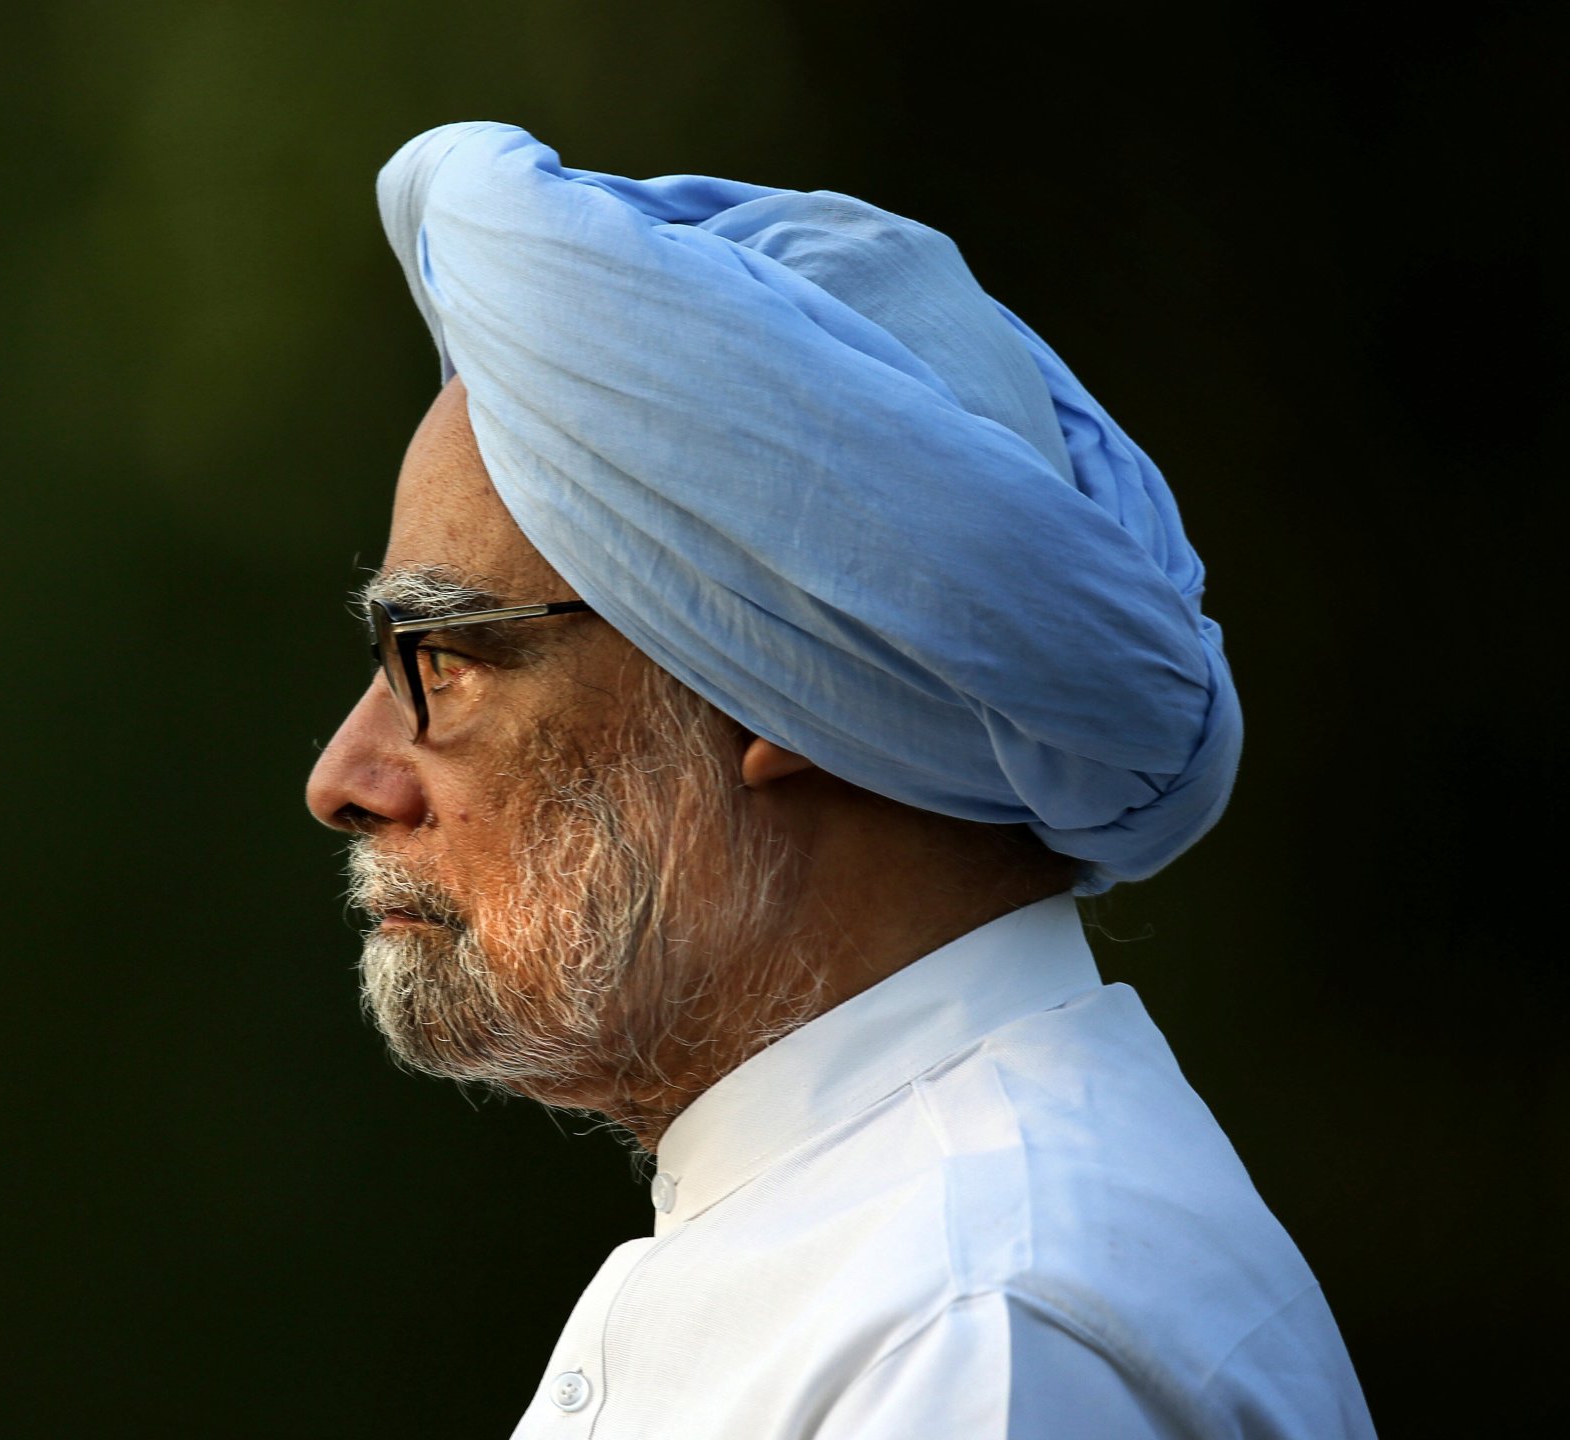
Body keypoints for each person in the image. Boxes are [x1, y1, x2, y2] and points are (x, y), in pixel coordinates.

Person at [304, 122, 1372, 1438]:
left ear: (770, 689)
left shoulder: (979, 1327)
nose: (347, 777)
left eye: (447, 659)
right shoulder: (862, 1241)